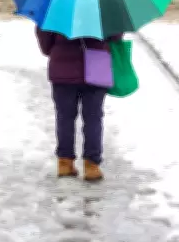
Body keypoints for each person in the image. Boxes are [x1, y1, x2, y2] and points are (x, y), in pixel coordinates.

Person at [36, 26, 123, 181]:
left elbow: (45, 45)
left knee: (64, 118)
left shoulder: (56, 7)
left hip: (63, 69)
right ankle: (92, 165)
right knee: (93, 118)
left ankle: (65, 163)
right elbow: (115, 37)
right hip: (97, 66)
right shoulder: (104, 7)